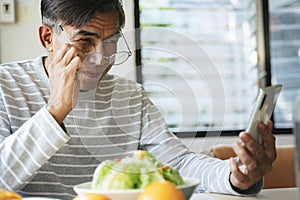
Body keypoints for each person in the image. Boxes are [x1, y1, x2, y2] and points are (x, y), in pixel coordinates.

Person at [0, 0, 276, 199]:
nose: (100, 58)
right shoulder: (5, 85)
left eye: (110, 41)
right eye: (85, 40)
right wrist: (55, 111)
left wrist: (235, 176)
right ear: (48, 37)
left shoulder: (131, 97)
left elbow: (178, 165)